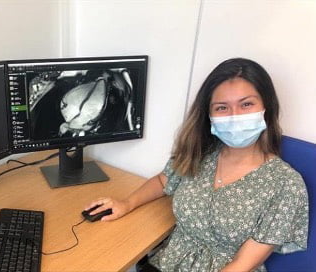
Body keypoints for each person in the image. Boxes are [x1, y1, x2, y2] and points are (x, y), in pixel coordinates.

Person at [85, 58, 309, 272]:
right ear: (209, 114)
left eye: (246, 104)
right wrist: (126, 203)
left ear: (266, 107)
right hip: (168, 262)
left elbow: (243, 264)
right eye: (222, 107)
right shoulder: (200, 153)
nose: (234, 116)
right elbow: (164, 180)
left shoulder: (286, 184)